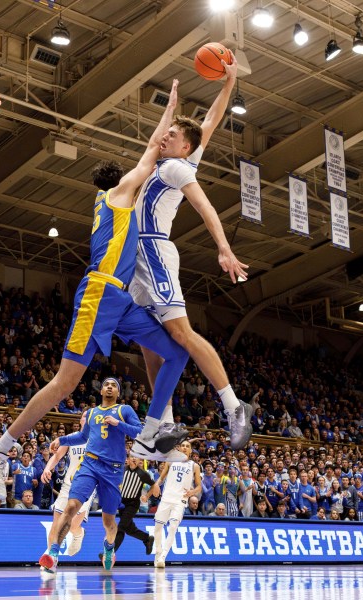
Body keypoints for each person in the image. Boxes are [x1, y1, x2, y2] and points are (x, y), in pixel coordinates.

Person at [0, 80, 190, 501]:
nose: (142, 174)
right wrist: (170, 112)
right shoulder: (119, 193)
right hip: (98, 295)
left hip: (120, 299)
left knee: (176, 352)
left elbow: (149, 155)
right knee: (64, 385)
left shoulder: (108, 201)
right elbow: (150, 149)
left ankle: (152, 434)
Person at [128, 56, 252, 451]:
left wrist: (224, 248)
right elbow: (210, 124)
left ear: (185, 146)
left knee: (180, 333)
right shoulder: (168, 160)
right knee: (148, 343)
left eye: (173, 134)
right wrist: (227, 85)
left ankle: (234, 407)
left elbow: (206, 207)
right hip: (136, 257)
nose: (165, 136)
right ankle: (163, 424)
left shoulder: (178, 169)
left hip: (155, 251)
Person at [40, 378, 142, 572]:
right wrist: (61, 439)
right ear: (101, 390)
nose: (110, 387)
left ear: (118, 393)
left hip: (112, 469)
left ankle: (109, 548)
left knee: (108, 521)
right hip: (90, 464)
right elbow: (82, 437)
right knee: (71, 506)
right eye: (106, 385)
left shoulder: (125, 410)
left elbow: (139, 432)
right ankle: (53, 554)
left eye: (114, 385)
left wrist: (118, 423)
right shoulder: (92, 413)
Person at [40, 412, 93, 562]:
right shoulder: (72, 438)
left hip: (88, 486)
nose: (87, 417)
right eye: (85, 415)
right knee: (57, 524)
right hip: (68, 484)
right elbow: (56, 457)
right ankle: (51, 559)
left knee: (71, 525)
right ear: (81, 420)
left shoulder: (99, 439)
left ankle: (79, 533)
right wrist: (47, 469)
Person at [153, 439, 202, 568]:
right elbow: (161, 478)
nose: (185, 448)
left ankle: (163, 556)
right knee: (158, 527)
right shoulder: (170, 460)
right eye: (183, 446)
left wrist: (192, 492)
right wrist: (157, 485)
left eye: (188, 446)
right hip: (166, 498)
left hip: (180, 500)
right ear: (179, 448)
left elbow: (199, 487)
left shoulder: (194, 466)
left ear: (191, 450)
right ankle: (158, 551)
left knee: (173, 526)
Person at [112, 456, 159, 558]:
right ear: (127, 459)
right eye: (132, 457)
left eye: (136, 458)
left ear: (139, 461)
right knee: (130, 530)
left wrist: (146, 496)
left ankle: (110, 553)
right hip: (121, 503)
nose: (134, 459)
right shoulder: (122, 469)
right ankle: (147, 538)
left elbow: (154, 485)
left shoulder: (143, 474)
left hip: (133, 504)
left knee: (121, 527)